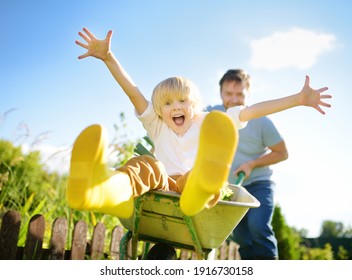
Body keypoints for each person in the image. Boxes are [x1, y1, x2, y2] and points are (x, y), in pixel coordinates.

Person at [66, 27, 331, 220]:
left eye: (183, 100)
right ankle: (99, 190)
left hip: (193, 184)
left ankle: (201, 189)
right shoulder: (157, 125)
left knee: (196, 176)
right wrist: (108, 57)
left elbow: (253, 111)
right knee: (144, 165)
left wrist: (298, 99)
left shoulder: (210, 123)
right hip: (163, 185)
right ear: (159, 110)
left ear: (196, 104)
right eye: (168, 104)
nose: (176, 107)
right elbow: (133, 92)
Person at [208, 69, 289, 260]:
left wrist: (252, 164)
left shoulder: (261, 121)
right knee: (241, 236)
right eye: (229, 94)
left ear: (248, 94)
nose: (234, 100)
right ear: (221, 93)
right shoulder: (211, 114)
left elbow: (282, 153)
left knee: (258, 227)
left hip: (258, 184)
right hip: (231, 188)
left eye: (240, 94)